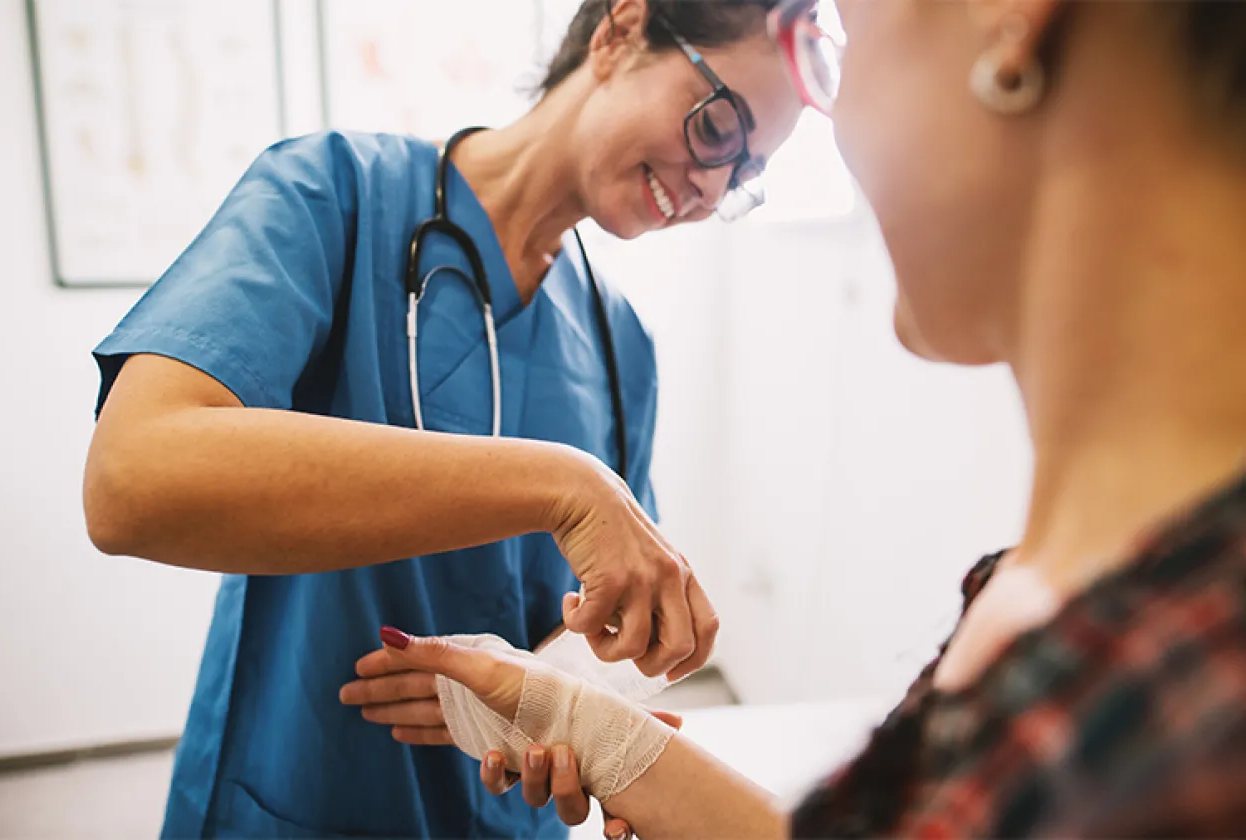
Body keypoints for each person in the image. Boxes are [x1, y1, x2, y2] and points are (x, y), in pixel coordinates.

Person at [377, 0, 1246, 836]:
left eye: (848, 34)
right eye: (719, 128)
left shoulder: (1185, 708)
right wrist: (585, 723)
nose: (847, 114)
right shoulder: (1063, 610)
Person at [81, 0, 801, 836]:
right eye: (719, 128)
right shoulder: (333, 194)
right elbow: (132, 479)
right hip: (300, 794)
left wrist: (560, 703)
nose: (712, 187)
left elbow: (604, 627)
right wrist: (559, 484)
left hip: (504, 813)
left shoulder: (618, 340)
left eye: (744, 173)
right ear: (620, 29)